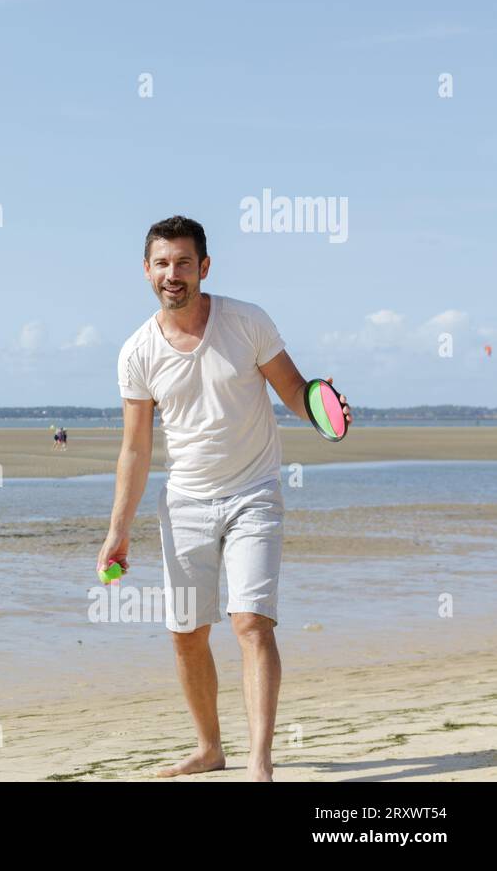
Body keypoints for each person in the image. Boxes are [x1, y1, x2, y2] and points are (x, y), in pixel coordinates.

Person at [96, 215, 351, 781]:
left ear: (204, 267)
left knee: (251, 624)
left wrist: (324, 409)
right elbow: (134, 451)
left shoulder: (246, 322)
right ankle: (210, 748)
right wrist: (118, 529)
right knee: (186, 635)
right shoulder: (137, 352)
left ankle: (259, 763)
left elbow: (293, 391)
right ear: (146, 271)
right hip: (185, 502)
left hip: (254, 494)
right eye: (162, 263)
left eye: (184, 262)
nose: (173, 273)